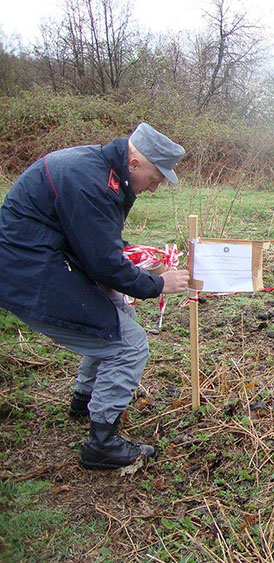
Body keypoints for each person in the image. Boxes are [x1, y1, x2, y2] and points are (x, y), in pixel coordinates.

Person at [0, 123, 190, 470]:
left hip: (44, 260)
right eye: (155, 177)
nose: (155, 187)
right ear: (134, 163)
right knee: (129, 344)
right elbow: (103, 263)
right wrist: (158, 285)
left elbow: (100, 243)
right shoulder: (91, 181)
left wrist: (135, 259)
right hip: (29, 271)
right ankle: (101, 443)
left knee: (118, 317)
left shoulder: (102, 170)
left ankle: (85, 399)